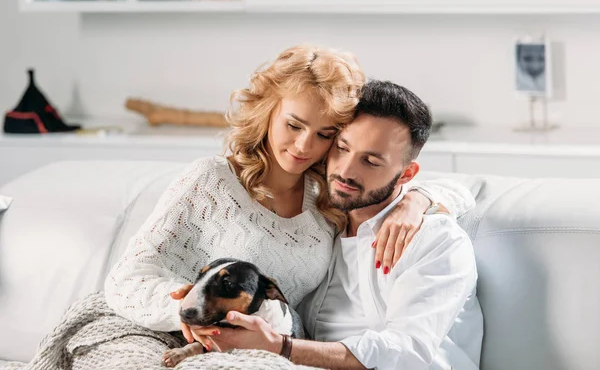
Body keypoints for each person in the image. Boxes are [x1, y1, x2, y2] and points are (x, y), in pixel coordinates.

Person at [105, 46, 474, 353]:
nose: (303, 146)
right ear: (268, 111)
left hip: (264, 355)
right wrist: (198, 311)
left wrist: (418, 200)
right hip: (174, 333)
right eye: (294, 125)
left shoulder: (327, 201)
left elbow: (465, 189)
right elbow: (128, 278)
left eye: (324, 134)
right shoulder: (212, 179)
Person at [193, 80, 483, 370]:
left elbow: (406, 352)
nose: (345, 171)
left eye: (370, 161)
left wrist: (281, 348)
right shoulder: (320, 219)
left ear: (407, 174)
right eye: (341, 148)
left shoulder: (436, 241)